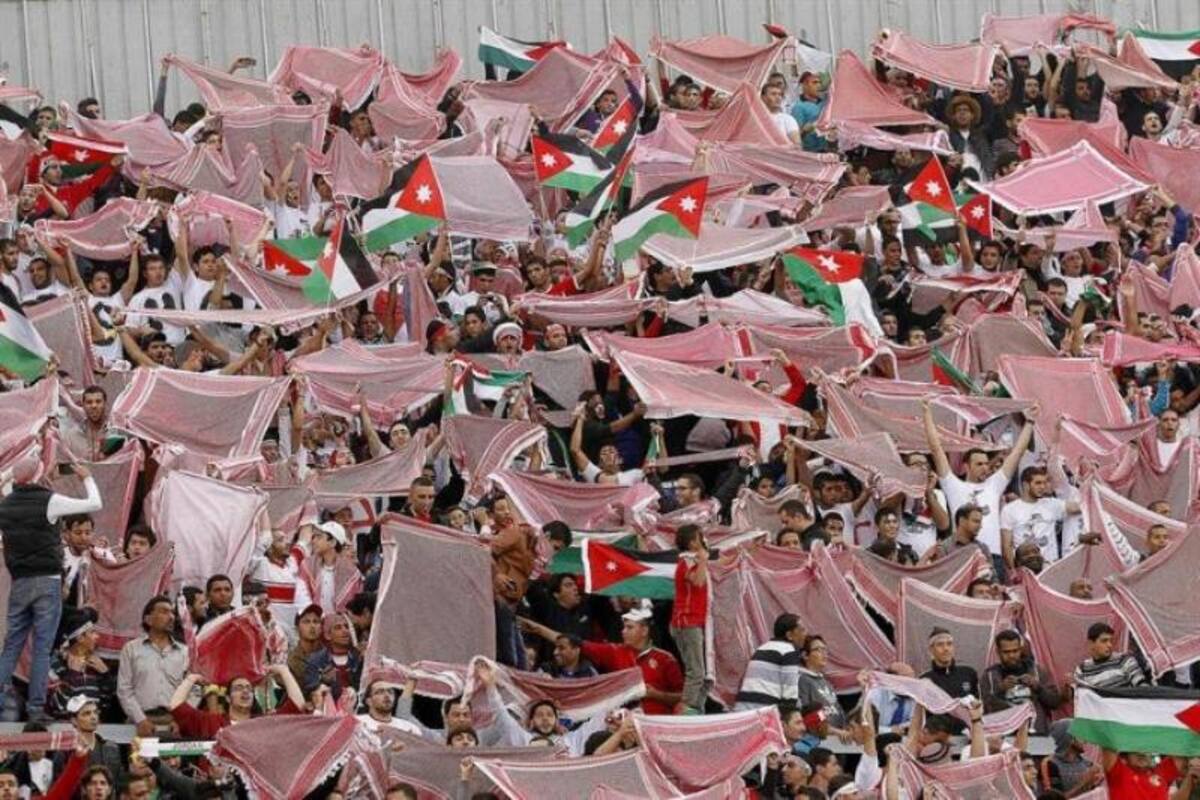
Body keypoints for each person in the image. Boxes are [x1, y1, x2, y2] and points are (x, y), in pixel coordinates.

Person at [0, 458, 102, 721]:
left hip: (20, 581)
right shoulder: (50, 500)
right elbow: (94, 503)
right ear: (39, 475)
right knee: (42, 648)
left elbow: (10, 486)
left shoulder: (6, 504)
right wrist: (86, 477)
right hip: (46, 581)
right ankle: (36, 709)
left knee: (12, 645)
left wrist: (10, 475)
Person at [923, 399, 1036, 579]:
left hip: (993, 557)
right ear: (966, 466)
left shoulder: (994, 485)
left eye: (986, 463)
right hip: (961, 555)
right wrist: (926, 413)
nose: (985, 467)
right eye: (979, 464)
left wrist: (1030, 422)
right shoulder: (953, 485)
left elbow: (1017, 453)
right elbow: (936, 449)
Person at [523, 608, 683, 715]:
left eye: (629, 627)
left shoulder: (665, 659)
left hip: (656, 723)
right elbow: (571, 642)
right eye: (623, 627)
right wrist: (538, 629)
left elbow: (682, 697)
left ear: (644, 631)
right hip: (623, 722)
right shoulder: (614, 651)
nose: (623, 631)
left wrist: (657, 694)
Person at [116, 595, 187, 736]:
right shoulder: (131, 649)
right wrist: (140, 719)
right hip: (139, 721)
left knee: (173, 759)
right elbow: (124, 689)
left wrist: (182, 719)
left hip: (174, 722)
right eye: (164, 612)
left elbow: (193, 689)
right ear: (148, 619)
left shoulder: (184, 652)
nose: (171, 617)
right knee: (139, 758)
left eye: (172, 612)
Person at [980, 629, 1062, 733]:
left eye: (1015, 651)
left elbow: (1055, 703)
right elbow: (983, 710)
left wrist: (1038, 687)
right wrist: (1000, 690)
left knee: (1066, 725)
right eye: (1006, 652)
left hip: (1037, 733)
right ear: (998, 652)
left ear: (1021, 649)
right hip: (1005, 735)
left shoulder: (1037, 671)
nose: (1011, 656)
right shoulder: (990, 676)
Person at [670, 524, 709, 714]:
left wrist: (750, 549)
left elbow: (725, 561)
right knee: (696, 673)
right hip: (687, 622)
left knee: (706, 674)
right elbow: (698, 581)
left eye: (699, 537)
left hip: (697, 623)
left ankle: (697, 711)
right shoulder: (686, 561)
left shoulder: (694, 560)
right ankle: (684, 712)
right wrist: (703, 561)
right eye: (694, 539)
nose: (698, 542)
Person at [733, 613, 805, 710]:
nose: (805, 634)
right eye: (802, 630)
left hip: (742, 708)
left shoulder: (761, 648)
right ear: (789, 635)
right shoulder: (788, 651)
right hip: (763, 710)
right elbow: (790, 695)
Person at [795, 635, 848, 735]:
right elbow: (807, 714)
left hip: (837, 739)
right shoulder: (802, 680)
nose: (824, 654)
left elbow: (839, 712)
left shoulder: (826, 682)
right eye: (818, 650)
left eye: (825, 650)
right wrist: (835, 731)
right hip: (819, 740)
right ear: (805, 655)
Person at [1073, 622, 1145, 689]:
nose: (1109, 645)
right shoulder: (1082, 670)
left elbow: (1142, 687)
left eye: (1111, 641)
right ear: (1091, 643)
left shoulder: (1124, 660)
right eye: (1104, 641)